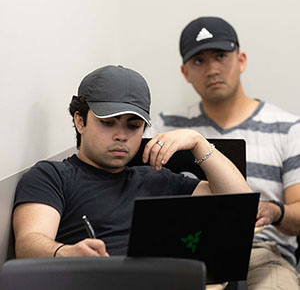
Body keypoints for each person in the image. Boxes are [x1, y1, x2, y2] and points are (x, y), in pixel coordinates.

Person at [13, 64, 251, 260]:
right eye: (108, 123)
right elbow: (28, 244)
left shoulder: (156, 178)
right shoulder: (52, 176)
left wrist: (199, 143)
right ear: (80, 122)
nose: (121, 135)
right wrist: (66, 253)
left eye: (133, 126)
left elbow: (240, 206)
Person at [144, 17, 300, 289]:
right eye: (199, 61)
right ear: (185, 72)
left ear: (241, 60)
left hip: (260, 253)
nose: (212, 69)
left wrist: (274, 211)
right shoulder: (166, 126)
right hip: (183, 252)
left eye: (220, 56)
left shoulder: (287, 128)